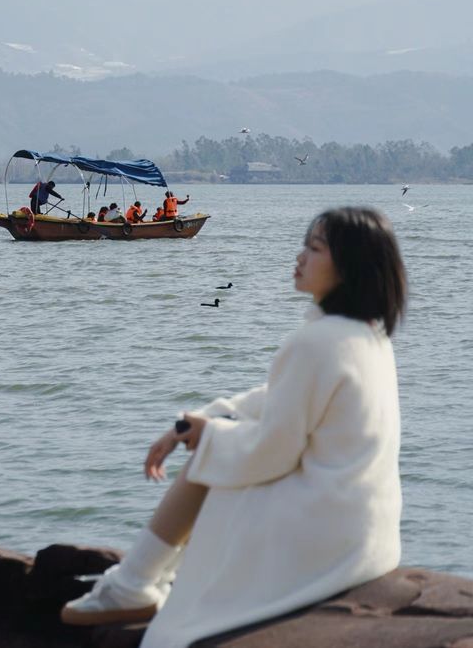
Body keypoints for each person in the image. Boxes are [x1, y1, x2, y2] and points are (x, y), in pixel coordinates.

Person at [61, 207, 407, 648]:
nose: (299, 256)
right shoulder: (366, 335)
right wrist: (199, 422)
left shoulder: (317, 343)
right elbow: (274, 400)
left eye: (314, 249)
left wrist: (205, 436)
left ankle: (134, 583)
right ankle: (139, 578)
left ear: (350, 267)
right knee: (218, 440)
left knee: (213, 459)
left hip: (329, 534)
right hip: (367, 532)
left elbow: (272, 452)